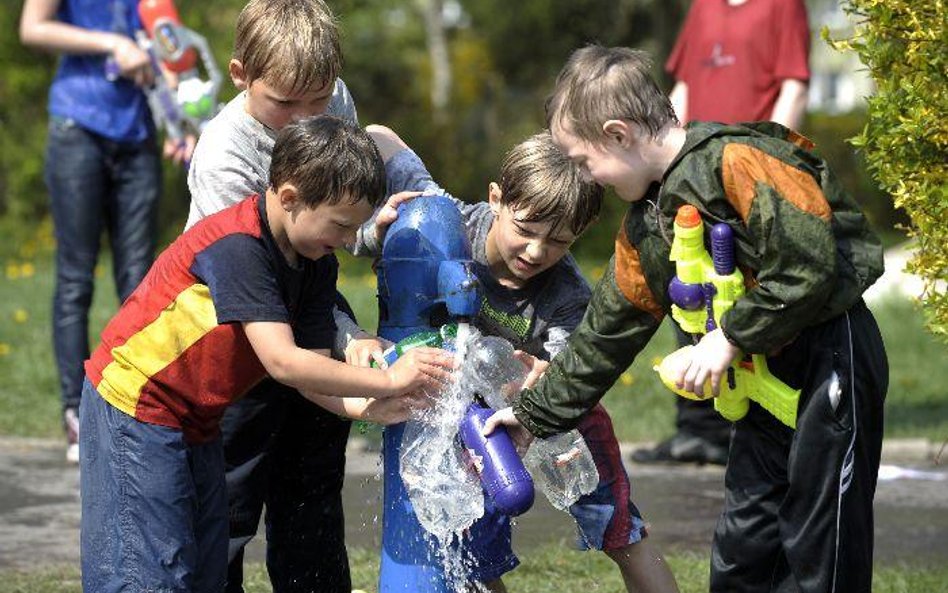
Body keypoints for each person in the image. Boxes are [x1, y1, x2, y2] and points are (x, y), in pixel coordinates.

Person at [485, 45, 888, 593]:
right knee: (746, 537)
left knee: (820, 537)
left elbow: (807, 263)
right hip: (758, 385)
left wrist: (729, 337)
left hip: (826, 363)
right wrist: (532, 415)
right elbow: (605, 335)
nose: (589, 179)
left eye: (583, 162)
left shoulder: (739, 160)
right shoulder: (646, 225)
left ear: (619, 134)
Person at [78, 115, 454, 593]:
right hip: (135, 405)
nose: (347, 240)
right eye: (341, 225)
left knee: (204, 564)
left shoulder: (314, 262)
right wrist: (390, 381)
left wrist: (366, 408)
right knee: (146, 568)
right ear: (290, 197)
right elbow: (283, 361)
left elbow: (307, 374)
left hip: (194, 419)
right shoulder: (239, 245)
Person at [365, 125, 680, 593]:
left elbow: (569, 372)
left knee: (622, 532)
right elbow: (380, 135)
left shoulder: (568, 295)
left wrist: (543, 378)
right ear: (496, 198)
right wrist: (375, 225)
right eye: (526, 230)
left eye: (557, 241)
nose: (536, 252)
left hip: (558, 413)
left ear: (582, 232)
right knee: (474, 552)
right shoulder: (450, 225)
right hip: (478, 419)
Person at [184, 2, 402, 590]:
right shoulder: (224, 155)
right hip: (235, 334)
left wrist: (372, 232)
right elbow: (255, 284)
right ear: (240, 75)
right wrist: (342, 341)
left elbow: (338, 220)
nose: (302, 120)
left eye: (319, 101)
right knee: (228, 502)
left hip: (309, 302)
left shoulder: (333, 101)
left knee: (310, 492)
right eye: (283, 103)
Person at [634, 0, 812, 466]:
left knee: (743, 295)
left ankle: (749, 430)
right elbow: (684, 89)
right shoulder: (703, 8)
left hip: (745, 178)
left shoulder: (781, 6)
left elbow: (793, 86)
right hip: (696, 181)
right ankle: (697, 426)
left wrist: (771, 164)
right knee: (690, 292)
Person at [19, 0, 194, 463]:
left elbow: (167, 47)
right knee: (76, 278)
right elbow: (32, 28)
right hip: (78, 126)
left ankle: (136, 408)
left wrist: (179, 122)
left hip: (137, 135)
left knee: (141, 281)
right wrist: (111, 43)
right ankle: (76, 414)